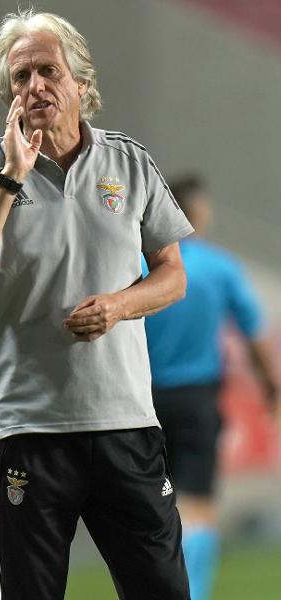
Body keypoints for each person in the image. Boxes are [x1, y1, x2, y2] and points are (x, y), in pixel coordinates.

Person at [0, 9, 194, 600]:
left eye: (47, 71)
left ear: (80, 81)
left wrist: (118, 306)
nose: (34, 86)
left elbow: (172, 277)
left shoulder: (129, 164)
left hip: (125, 423)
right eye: (20, 77)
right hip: (27, 430)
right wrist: (11, 177)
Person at [144, 175, 280, 600]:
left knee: (151, 504)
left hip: (141, 401)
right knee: (197, 501)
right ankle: (192, 592)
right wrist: (271, 388)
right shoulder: (220, 268)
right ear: (195, 214)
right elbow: (254, 333)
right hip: (197, 399)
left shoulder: (142, 266)